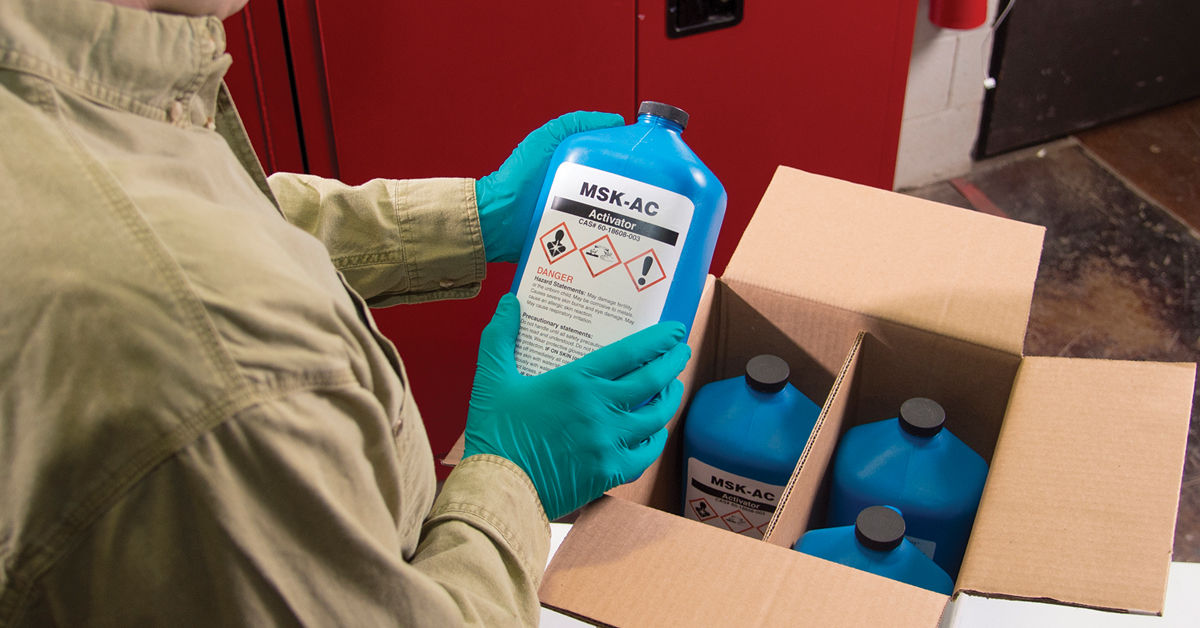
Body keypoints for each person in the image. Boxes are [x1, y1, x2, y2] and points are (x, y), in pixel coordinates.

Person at [0, 0, 690, 625]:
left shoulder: (69, 89)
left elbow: (202, 210)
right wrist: (515, 479)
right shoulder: (226, 371)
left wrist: (472, 220)